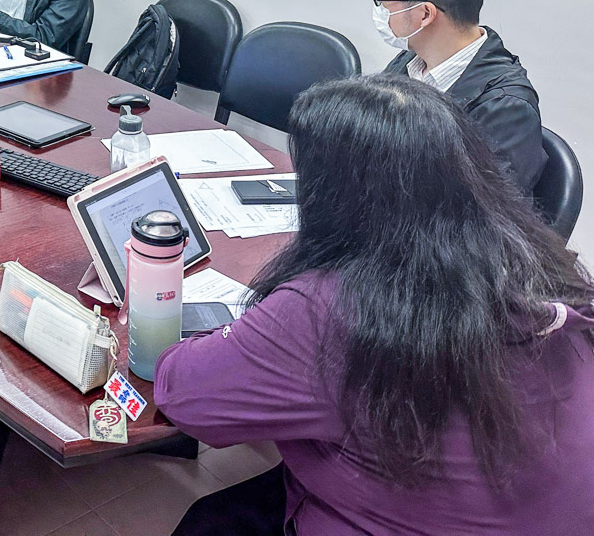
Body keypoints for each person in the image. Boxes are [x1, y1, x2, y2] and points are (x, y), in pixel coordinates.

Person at [155, 74, 594, 536]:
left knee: (207, 522)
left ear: (334, 195)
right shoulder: (544, 266)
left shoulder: (332, 309)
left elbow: (181, 392)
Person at [374, 0, 545, 192]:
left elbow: (481, 211)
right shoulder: (410, 63)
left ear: (424, 14)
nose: (380, 8)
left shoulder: (505, 108)